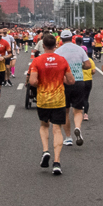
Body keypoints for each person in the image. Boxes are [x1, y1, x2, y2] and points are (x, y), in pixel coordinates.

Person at [28, 32, 73, 175]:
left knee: (44, 125)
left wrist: (42, 82)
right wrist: (60, 80)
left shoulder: (37, 61)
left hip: (43, 100)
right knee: (57, 129)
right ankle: (57, 162)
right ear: (55, 45)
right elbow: (71, 81)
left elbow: (32, 82)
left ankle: (45, 150)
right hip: (59, 100)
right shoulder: (62, 60)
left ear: (43, 45)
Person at [55, 29, 91, 147]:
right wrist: (79, 67)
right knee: (78, 110)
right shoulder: (79, 49)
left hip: (64, 82)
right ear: (72, 38)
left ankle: (68, 137)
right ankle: (77, 128)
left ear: (61, 39)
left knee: (65, 111)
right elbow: (88, 65)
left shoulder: (58, 51)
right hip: (79, 81)